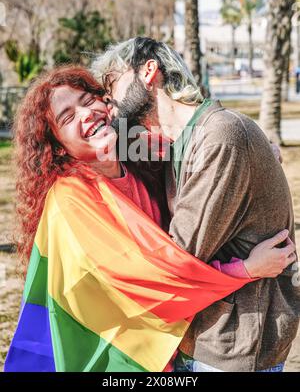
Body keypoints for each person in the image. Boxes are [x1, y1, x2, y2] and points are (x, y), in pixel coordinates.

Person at [4, 66, 293, 372]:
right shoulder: (70, 201)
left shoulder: (139, 167)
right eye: (67, 117)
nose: (86, 114)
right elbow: (152, 282)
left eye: (89, 100)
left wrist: (256, 153)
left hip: (165, 352)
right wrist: (246, 269)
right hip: (117, 361)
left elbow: (194, 142)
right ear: (59, 148)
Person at [91, 37, 300, 372]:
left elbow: (179, 257)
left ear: (148, 71)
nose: (107, 97)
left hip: (234, 345)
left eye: (112, 82)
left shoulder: (221, 135)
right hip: (205, 337)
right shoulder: (184, 142)